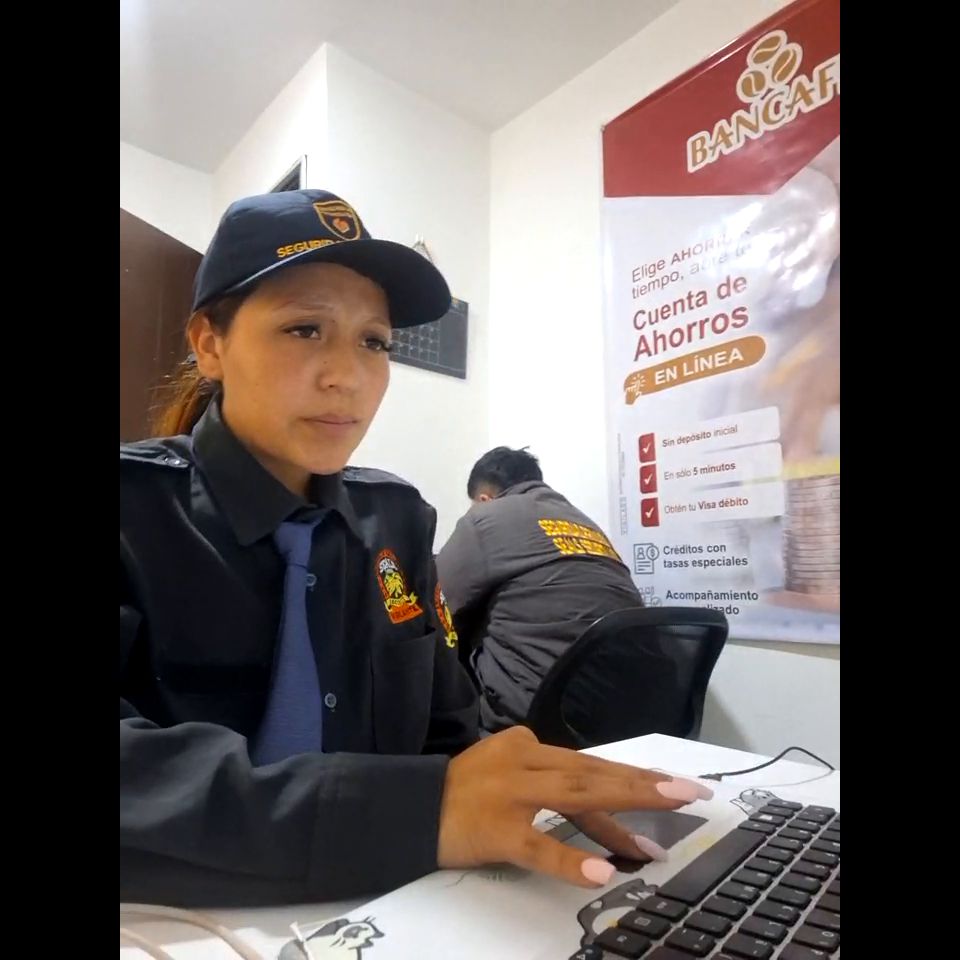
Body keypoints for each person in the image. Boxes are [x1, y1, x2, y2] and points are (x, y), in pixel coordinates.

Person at [120, 188, 712, 908]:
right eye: (305, 329)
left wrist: (519, 785)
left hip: (398, 910)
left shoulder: (395, 519)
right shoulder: (135, 510)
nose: (347, 376)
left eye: (374, 342)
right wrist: (418, 812)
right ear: (210, 344)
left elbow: (450, 729)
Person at [436, 447, 644, 733]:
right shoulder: (584, 522)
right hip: (627, 712)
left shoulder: (485, 518)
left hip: (537, 719)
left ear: (484, 499)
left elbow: (433, 607)